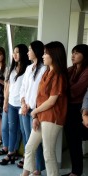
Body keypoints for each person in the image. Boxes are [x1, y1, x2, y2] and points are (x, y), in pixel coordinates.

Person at [21, 41, 68, 176]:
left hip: (52, 118)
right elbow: (39, 98)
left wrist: (34, 112)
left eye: (46, 53)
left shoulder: (58, 75)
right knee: (30, 147)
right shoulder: (47, 73)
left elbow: (52, 101)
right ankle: (26, 173)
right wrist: (36, 116)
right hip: (42, 116)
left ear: (54, 55)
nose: (43, 56)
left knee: (48, 152)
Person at [0, 44, 30, 165]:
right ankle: (11, 153)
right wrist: (5, 102)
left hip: (23, 105)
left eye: (17, 52)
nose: (15, 55)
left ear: (23, 53)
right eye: (13, 52)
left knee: (23, 131)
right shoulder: (12, 68)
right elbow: (8, 87)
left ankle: (26, 157)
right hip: (11, 103)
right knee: (12, 129)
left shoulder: (28, 68)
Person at [18, 40, 46, 173]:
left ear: (36, 51)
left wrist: (30, 105)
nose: (28, 52)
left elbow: (40, 92)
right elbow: (23, 88)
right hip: (25, 108)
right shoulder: (29, 68)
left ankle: (38, 169)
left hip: (36, 109)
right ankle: (30, 167)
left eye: (30, 50)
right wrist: (23, 103)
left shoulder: (45, 69)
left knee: (35, 141)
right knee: (28, 138)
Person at [63, 44, 88, 176]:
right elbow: (61, 83)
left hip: (80, 109)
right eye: (72, 53)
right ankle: (75, 171)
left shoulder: (87, 71)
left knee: (76, 141)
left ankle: (76, 172)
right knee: (72, 141)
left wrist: (64, 88)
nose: (73, 56)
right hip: (69, 108)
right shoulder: (70, 69)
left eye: (77, 53)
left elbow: (76, 90)